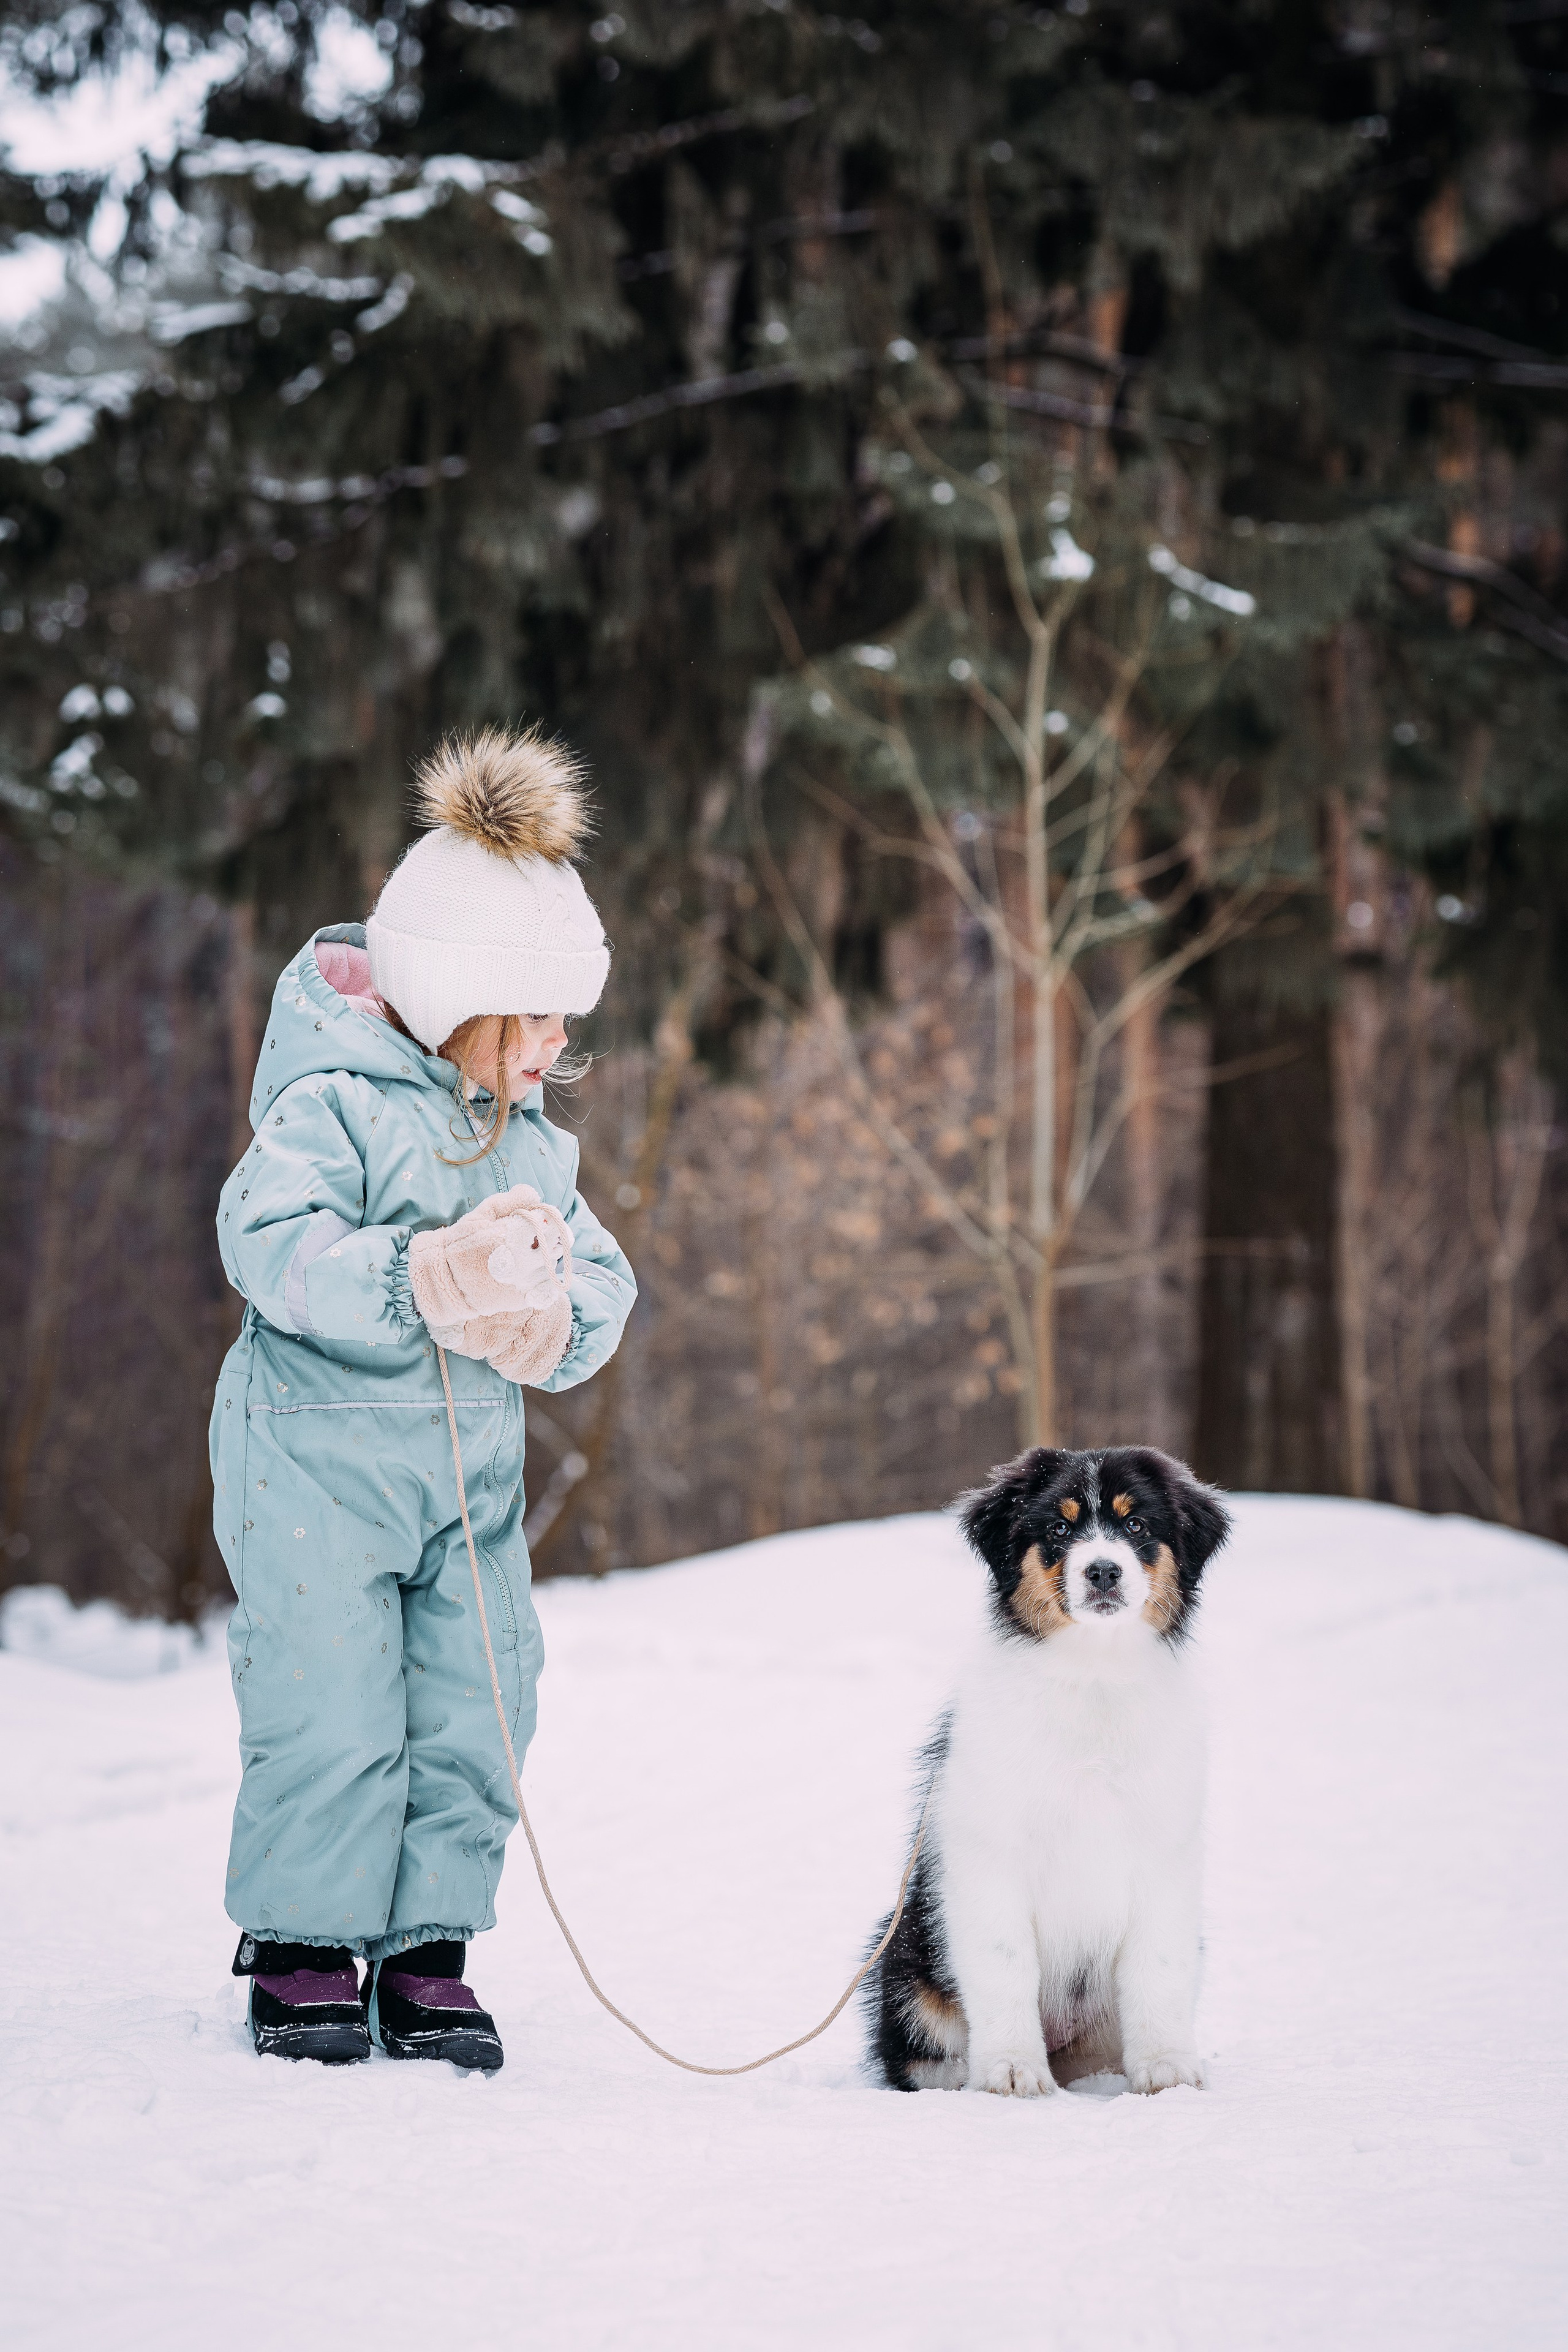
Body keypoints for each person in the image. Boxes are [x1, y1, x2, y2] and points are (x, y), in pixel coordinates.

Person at [210, 724, 635, 2069]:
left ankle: (426, 1949)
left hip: (464, 1486)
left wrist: (548, 1315)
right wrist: (423, 1275)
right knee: (330, 1700)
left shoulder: (528, 1144)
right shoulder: (328, 1104)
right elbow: (271, 1247)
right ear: (460, 998)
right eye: (541, 1016)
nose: (558, 1046)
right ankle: (302, 1944)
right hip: (314, 1472)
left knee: (476, 1694)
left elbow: (606, 1284)